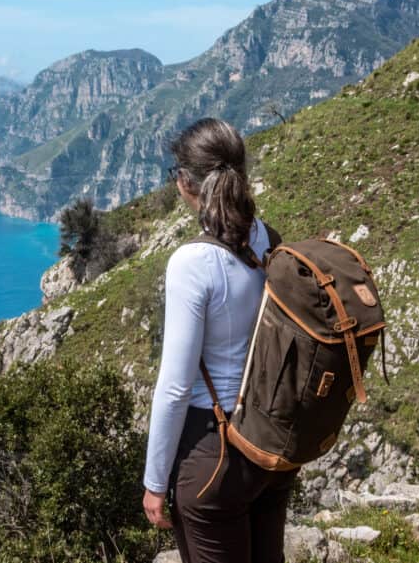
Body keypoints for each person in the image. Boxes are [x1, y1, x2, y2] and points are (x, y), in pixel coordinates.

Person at [142, 118, 299, 563]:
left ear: (187, 184)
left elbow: (174, 388)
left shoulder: (192, 263)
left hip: (214, 450)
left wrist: (155, 482)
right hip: (269, 439)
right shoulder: (264, 236)